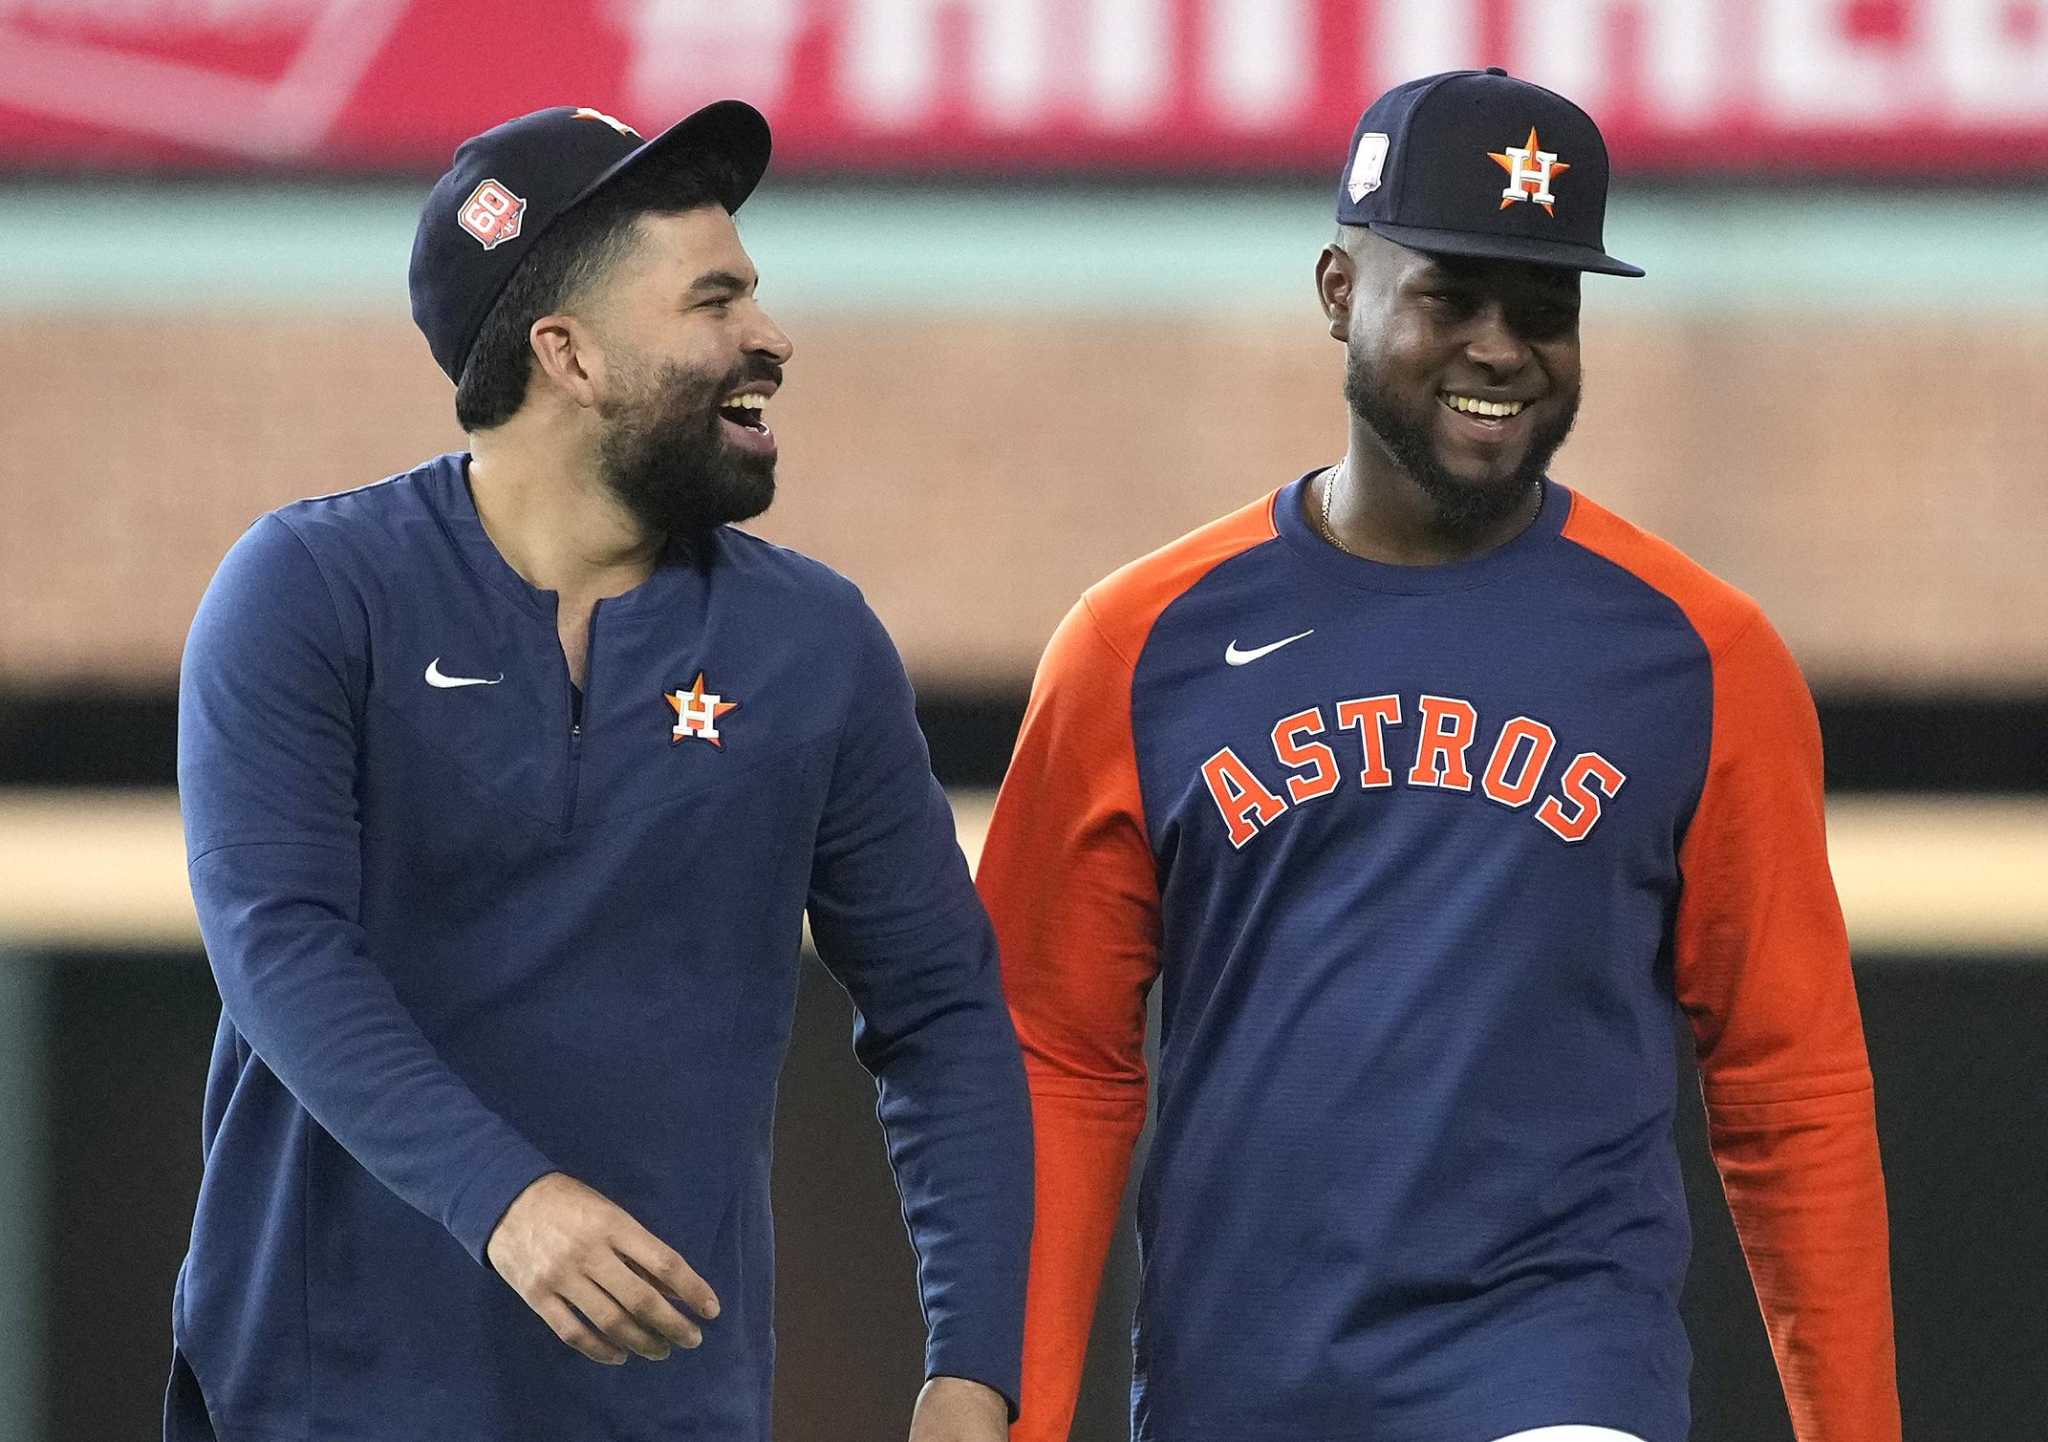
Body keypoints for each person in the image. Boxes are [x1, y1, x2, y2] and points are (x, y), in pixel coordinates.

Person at [977, 69, 1898, 1442]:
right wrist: (1017, 1412)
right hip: (1242, 1380)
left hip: (1559, 1366)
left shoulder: (1702, 654)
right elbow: (1054, 1057)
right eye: (1451, 298)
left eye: (1545, 310)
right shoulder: (1137, 643)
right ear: (1341, 291)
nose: (1502, 347)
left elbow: (1791, 1086)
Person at [167, 101, 1029, 1442]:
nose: (772, 335)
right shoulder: (311, 590)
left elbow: (945, 1013)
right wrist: (508, 1199)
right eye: (715, 299)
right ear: (565, 353)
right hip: (317, 1400)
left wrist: (973, 1377)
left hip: (667, 1416)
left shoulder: (815, 641)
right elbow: (278, 946)